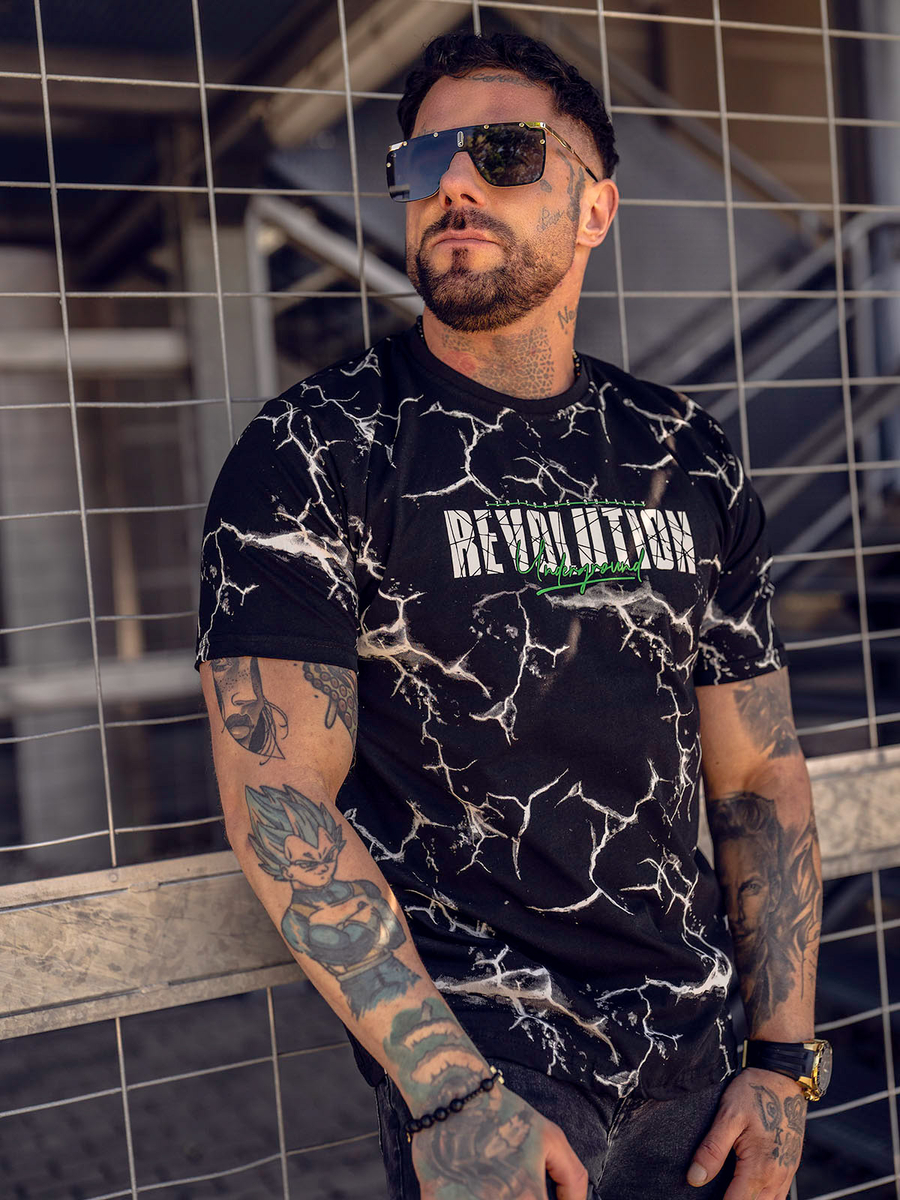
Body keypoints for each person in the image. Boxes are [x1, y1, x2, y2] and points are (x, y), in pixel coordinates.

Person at [196, 31, 827, 1200]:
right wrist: (449, 1094)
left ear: (597, 209)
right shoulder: (315, 451)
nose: (454, 183)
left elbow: (757, 774)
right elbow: (280, 797)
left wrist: (786, 1065)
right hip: (500, 1088)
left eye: (504, 152)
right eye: (425, 158)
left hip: (707, 1074)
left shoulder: (685, 454)